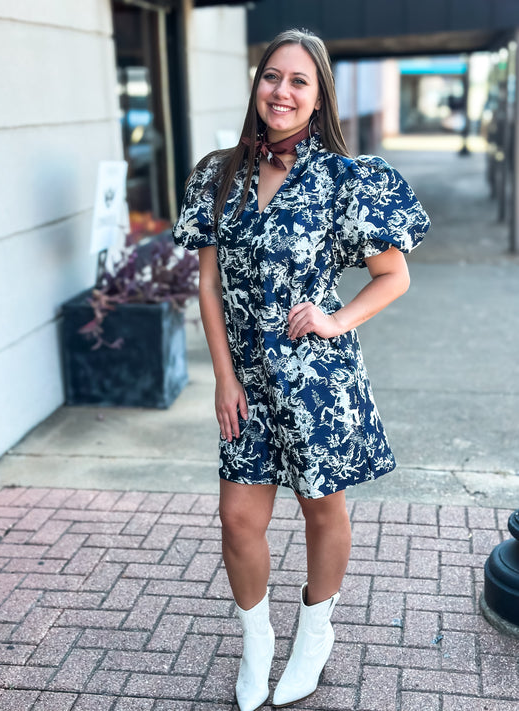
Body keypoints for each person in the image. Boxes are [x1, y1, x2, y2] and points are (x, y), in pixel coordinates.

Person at [173, 28, 430, 711]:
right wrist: (223, 377)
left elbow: (393, 275)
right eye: (271, 76)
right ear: (255, 84)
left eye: (298, 81)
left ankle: (314, 635)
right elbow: (208, 285)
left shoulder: (344, 179)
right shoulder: (216, 175)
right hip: (246, 380)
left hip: (318, 379)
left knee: (322, 509)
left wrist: (335, 320)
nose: (281, 91)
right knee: (237, 518)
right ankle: (256, 641)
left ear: (318, 98)